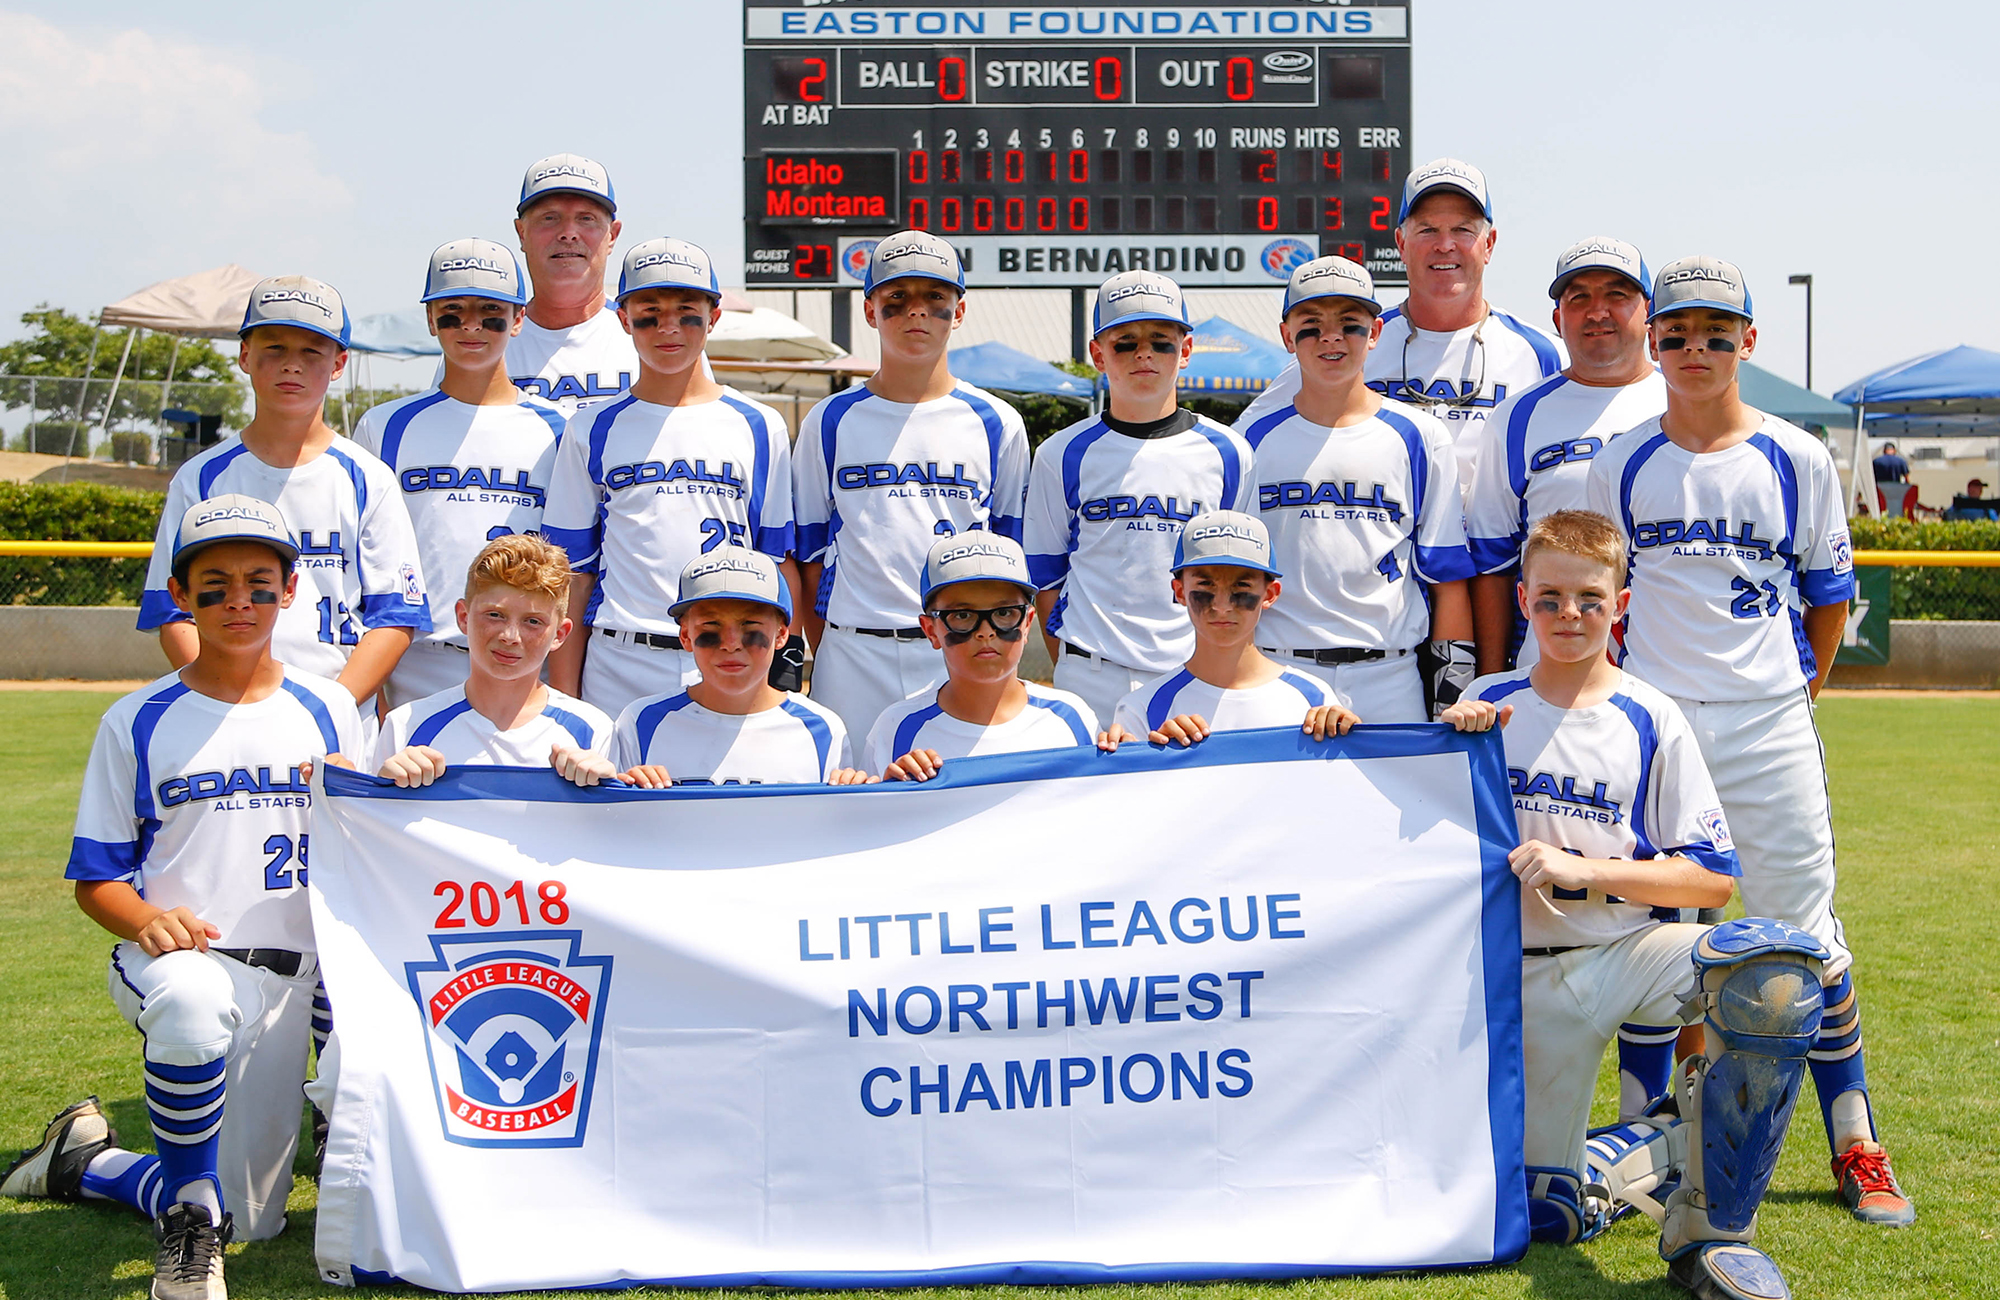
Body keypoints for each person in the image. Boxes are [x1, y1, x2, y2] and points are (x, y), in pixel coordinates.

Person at [1587, 256, 1915, 1225]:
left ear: (1747, 341)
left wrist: (1790, 694)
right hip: (1656, 725)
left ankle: (1853, 1138)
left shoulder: (1792, 455)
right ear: (1653, 341)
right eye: (1676, 333)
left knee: (1805, 938)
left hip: (1766, 720)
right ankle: (1641, 1134)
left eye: (1715, 333)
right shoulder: (1621, 459)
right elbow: (1604, 600)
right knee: (1654, 928)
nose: (1695, 350)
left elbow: (1826, 598)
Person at [1459, 508, 1828, 1300]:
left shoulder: (1650, 715)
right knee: (1544, 1215)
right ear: (1522, 599)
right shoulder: (1485, 702)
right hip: (1516, 981)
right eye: (1550, 598)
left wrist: (1588, 870)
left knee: (1774, 975)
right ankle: (1661, 1137)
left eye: (1590, 599)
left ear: (1620, 606)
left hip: (1626, 956)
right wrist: (1450, 745)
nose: (1569, 615)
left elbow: (1711, 880)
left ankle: (1713, 1232)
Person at [3, 496, 362, 1300]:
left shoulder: (330, 707)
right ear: (180, 594)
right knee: (195, 1011)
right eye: (216, 585)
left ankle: (87, 1163)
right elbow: (95, 878)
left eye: (260, 584)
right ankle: (190, 1224)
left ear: (291, 591)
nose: (240, 601)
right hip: (188, 962)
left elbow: (364, 845)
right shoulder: (136, 719)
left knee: (257, 1218)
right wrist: (146, 917)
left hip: (294, 975)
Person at [137, 277, 430, 710]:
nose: (292, 364)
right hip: (226, 716)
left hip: (339, 720)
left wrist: (328, 709)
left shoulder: (368, 477)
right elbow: (174, 611)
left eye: (312, 350)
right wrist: (231, 702)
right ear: (244, 355)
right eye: (274, 347)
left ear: (338, 363)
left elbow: (395, 619)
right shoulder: (200, 478)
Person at [540, 237, 795, 721]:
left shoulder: (760, 424)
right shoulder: (592, 427)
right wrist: (567, 698)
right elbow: (574, 571)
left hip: (729, 654)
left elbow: (777, 562)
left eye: (687, 312)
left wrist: (783, 670)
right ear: (623, 320)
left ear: (713, 317)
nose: (668, 328)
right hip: (621, 659)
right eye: (649, 313)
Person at [791, 231, 1031, 739]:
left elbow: (1009, 554)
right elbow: (809, 557)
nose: (915, 313)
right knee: (850, 802)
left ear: (959, 311)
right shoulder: (830, 419)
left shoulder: (996, 422)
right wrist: (830, 640)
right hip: (853, 655)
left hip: (959, 648)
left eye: (934, 299)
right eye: (897, 299)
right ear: (870, 311)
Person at [1236, 255, 1475, 722]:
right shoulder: (1249, 441)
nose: (1331, 337)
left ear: (1376, 333)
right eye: (1312, 322)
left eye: (1350, 323)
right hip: (1278, 672)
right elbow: (1232, 578)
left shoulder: (1420, 437)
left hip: (1389, 677)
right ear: (1287, 335)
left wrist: (1452, 701)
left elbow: (1447, 580)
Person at [1238, 157, 1563, 486]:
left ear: (1489, 244)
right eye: (1428, 230)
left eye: (1462, 230)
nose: (1445, 245)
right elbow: (1246, 445)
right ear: (1401, 244)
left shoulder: (1543, 354)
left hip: (1501, 538)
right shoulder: (1354, 341)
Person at [1025, 271, 1255, 724]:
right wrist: (1071, 660)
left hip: (1193, 668)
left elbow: (1243, 573)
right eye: (1124, 341)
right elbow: (1045, 580)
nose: (1143, 353)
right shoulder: (1061, 453)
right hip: (1091, 672)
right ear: (1097, 353)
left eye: (1161, 340)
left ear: (1185, 350)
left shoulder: (1229, 453)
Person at [353, 240, 565, 708]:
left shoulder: (559, 428)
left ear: (519, 319)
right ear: (430, 319)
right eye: (453, 310)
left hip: (525, 657)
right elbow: (366, 562)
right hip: (415, 659)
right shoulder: (384, 425)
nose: (471, 325)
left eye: (490, 310)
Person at [1465, 237, 1667, 675]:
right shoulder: (1516, 418)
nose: (1598, 311)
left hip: (1668, 671)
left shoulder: (1683, 404)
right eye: (1579, 298)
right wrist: (1493, 677)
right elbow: (1493, 567)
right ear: (1558, 319)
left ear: (1648, 311)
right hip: (1548, 676)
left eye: (1617, 294)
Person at [368, 535, 615, 787]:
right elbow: (373, 822)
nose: (510, 637)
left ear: (559, 634)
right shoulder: (407, 725)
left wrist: (609, 788)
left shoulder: (592, 730)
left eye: (533, 621)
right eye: (495, 615)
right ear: (463, 617)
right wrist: (387, 787)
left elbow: (614, 823)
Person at [1097, 511, 1356, 749]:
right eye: (1205, 586)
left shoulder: (1315, 700)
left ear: (1270, 594)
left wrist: (1352, 736)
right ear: (1179, 591)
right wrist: (1153, 757)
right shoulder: (1142, 709)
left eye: (1241, 588)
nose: (1222, 606)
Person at [612, 551, 872, 786]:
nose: (731, 644)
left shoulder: (822, 729)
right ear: (685, 636)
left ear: (782, 635)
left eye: (751, 627)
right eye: (711, 627)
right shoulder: (641, 722)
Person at [866, 533, 1099, 779]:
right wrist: (889, 791)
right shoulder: (896, 729)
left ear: (1028, 622)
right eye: (963, 616)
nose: (986, 631)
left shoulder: (1072, 717)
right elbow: (870, 814)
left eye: (1005, 613)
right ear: (931, 630)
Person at [504, 153, 641, 416]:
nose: (568, 232)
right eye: (549, 218)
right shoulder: (484, 342)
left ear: (612, 235)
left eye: (586, 218)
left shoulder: (652, 337)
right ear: (522, 233)